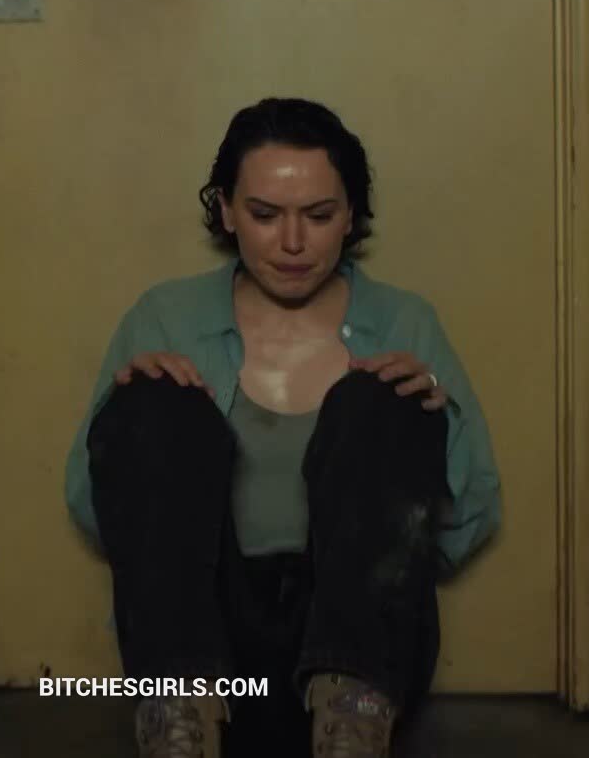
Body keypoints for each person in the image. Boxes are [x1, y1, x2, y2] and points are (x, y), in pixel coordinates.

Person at [64, 97, 501, 758]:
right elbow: (97, 509)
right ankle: (178, 714)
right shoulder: (165, 318)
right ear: (227, 211)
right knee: (152, 397)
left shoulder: (402, 322)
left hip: (360, 649)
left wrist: (426, 423)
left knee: (386, 398)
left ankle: (351, 718)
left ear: (350, 214)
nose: (293, 243)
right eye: (265, 215)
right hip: (208, 644)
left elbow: (467, 519)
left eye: (319, 216)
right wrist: (135, 416)